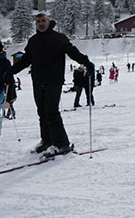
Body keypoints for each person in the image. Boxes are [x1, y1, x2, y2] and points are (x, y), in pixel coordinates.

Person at [9, 13, 94, 157]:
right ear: (35, 24)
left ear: (49, 22)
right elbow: (25, 60)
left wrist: (86, 62)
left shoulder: (58, 38)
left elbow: (72, 52)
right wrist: (10, 71)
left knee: (52, 111)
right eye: (38, 22)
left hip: (54, 80)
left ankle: (62, 144)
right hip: (37, 80)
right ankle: (47, 140)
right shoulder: (33, 41)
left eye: (43, 21)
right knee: (41, 111)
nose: (41, 24)